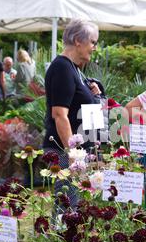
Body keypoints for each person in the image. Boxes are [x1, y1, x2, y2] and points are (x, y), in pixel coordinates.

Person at [43, 19, 102, 208]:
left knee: (73, 207)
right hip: (63, 151)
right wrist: (73, 155)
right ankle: (58, 238)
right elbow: (60, 114)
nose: (94, 47)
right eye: (93, 42)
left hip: (74, 151)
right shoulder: (62, 67)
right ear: (78, 40)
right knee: (67, 207)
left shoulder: (74, 69)